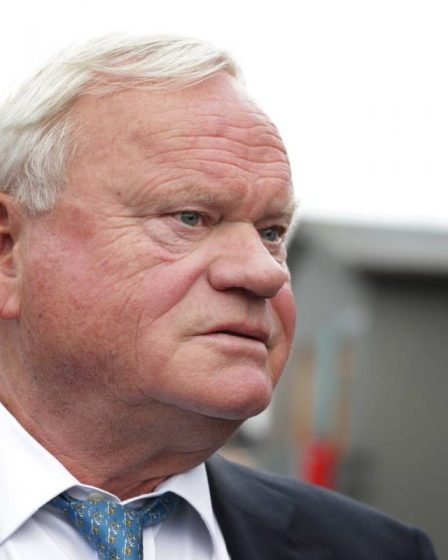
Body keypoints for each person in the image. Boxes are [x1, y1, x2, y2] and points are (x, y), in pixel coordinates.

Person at [0, 34, 437, 560]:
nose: (263, 272)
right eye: (189, 218)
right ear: (10, 252)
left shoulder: (380, 550)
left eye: (272, 233)